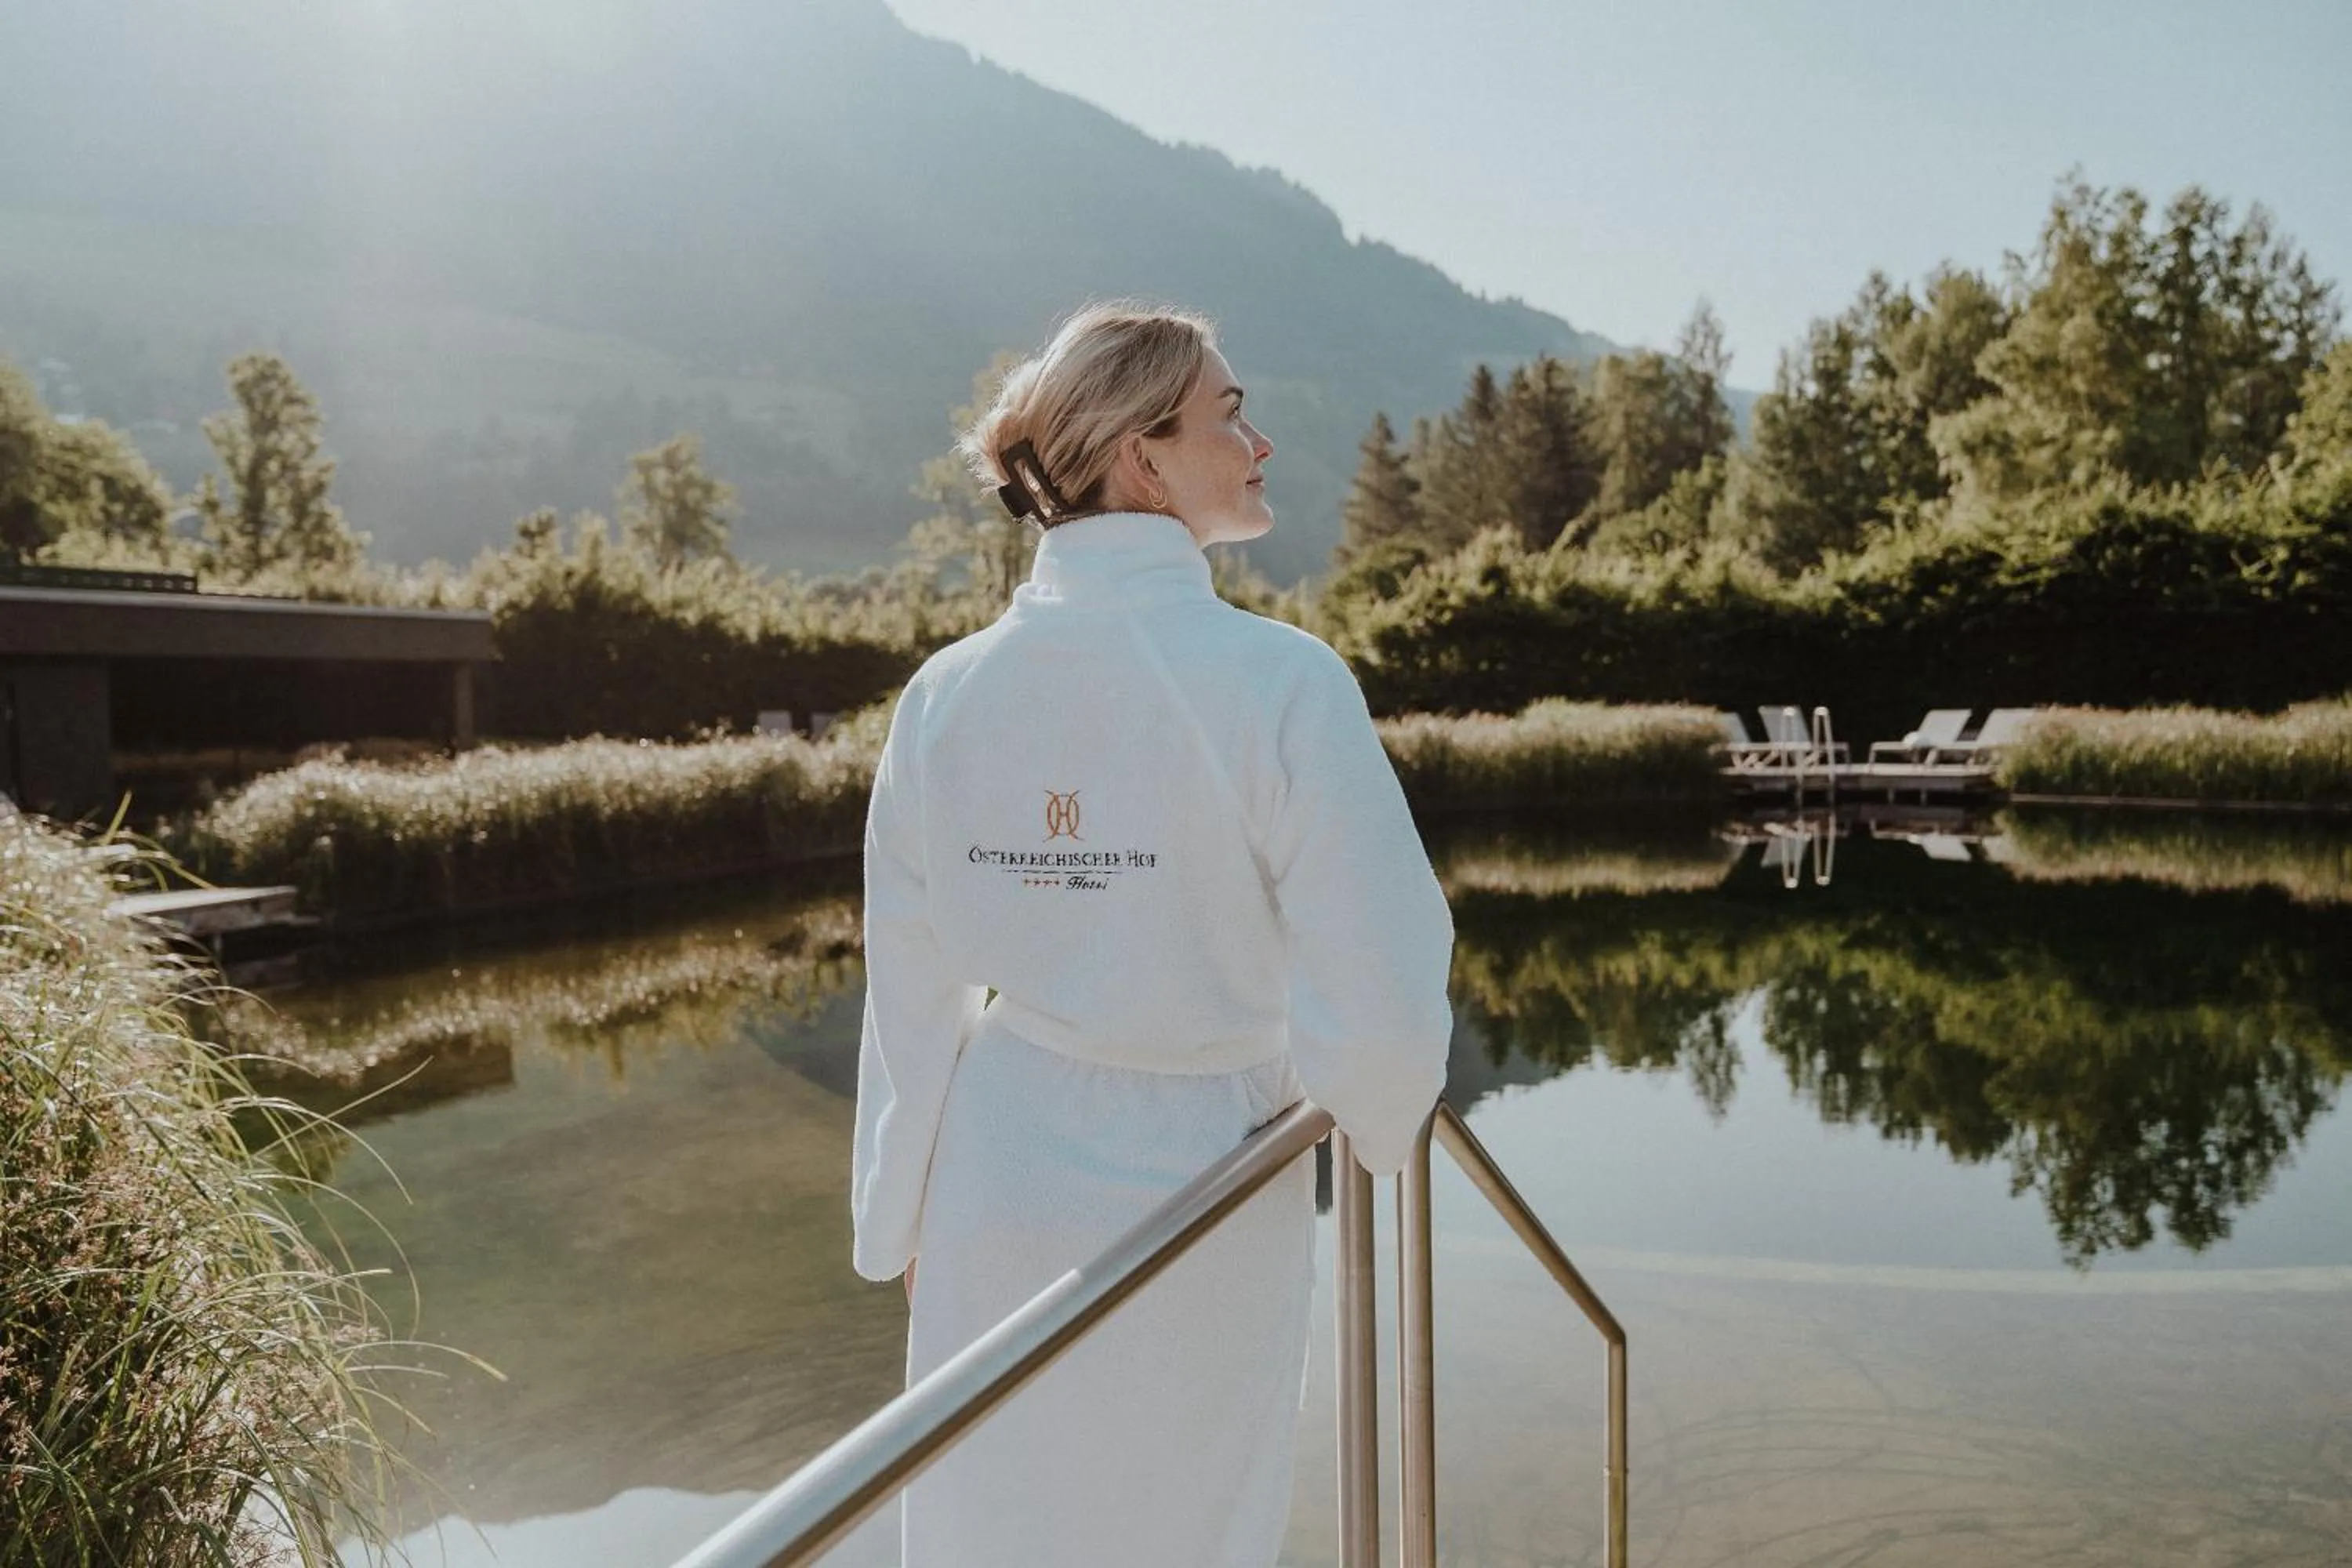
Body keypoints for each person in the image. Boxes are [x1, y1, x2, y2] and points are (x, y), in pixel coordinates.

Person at [850, 301, 1455, 1568]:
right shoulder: (1283, 682)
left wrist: (900, 1225)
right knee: (1184, 1528)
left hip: (994, 1173)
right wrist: (1380, 1121)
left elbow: (909, 993)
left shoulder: (943, 694)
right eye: (1230, 415)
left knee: (992, 1524)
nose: (1261, 443)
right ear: (1142, 457)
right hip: (1208, 1177)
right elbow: (1387, 983)